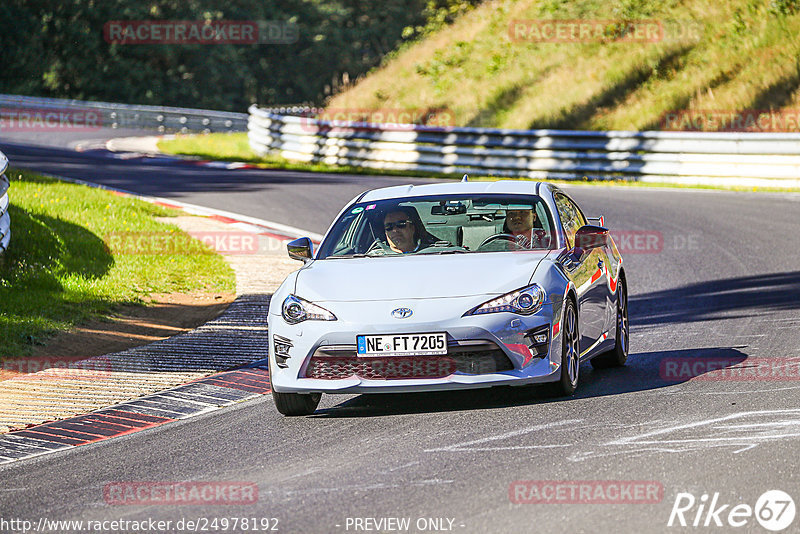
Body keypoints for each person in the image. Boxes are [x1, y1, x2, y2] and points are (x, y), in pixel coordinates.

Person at [368, 206, 441, 254]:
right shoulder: (372, 258)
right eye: (389, 226)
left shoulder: (435, 253)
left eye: (401, 224)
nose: (394, 230)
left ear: (413, 227)